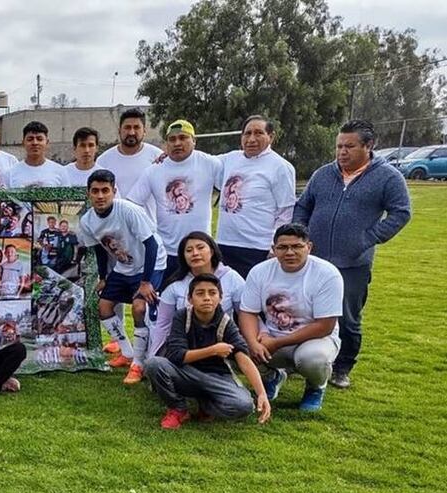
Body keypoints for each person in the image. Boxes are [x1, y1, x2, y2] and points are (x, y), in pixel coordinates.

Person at [293, 119, 411, 389]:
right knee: (307, 310)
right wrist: (301, 236)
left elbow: (401, 212)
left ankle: (342, 367)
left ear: (369, 146)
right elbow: (303, 206)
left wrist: (367, 239)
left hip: (353, 263)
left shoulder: (388, 177)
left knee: (347, 317)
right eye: (339, 146)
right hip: (314, 260)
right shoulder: (323, 174)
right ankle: (306, 360)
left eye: (349, 146)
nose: (342, 152)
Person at [238, 223, 344, 412]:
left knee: (313, 359)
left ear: (309, 247)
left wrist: (277, 343)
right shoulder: (260, 271)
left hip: (316, 339)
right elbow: (248, 312)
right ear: (273, 249)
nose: (289, 252)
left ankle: (316, 386)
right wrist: (253, 343)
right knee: (237, 348)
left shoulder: (327, 274)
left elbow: (325, 326)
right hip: (272, 336)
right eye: (282, 247)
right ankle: (272, 376)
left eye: (296, 246)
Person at [143, 274, 271, 429]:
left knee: (244, 406)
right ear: (190, 299)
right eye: (200, 293)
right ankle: (178, 408)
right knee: (154, 364)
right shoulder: (182, 317)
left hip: (217, 377)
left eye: (212, 293)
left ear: (220, 298)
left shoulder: (226, 323)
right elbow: (177, 356)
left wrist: (261, 393)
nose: (207, 298)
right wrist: (212, 350)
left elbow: (243, 358)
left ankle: (204, 405)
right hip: (186, 372)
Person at [76, 170, 167, 383]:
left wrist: (146, 282)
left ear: (114, 191)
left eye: (105, 190)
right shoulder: (87, 221)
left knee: (139, 307)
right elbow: (99, 250)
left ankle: (138, 363)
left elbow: (151, 244)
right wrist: (103, 277)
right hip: (124, 266)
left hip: (150, 264)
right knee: (103, 307)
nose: (100, 196)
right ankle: (126, 352)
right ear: (88, 194)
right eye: (95, 191)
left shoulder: (128, 210)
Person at [96, 108, 163, 355]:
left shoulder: (157, 157)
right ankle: (120, 343)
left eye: (136, 127)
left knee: (143, 298)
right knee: (113, 291)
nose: (131, 132)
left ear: (144, 130)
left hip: (145, 235)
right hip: (115, 238)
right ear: (120, 130)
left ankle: (149, 345)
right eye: (127, 127)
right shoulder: (105, 159)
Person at [128, 120, 222, 278]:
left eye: (183, 138)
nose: (177, 143)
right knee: (166, 293)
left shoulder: (211, 164)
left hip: (200, 251)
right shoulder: (153, 170)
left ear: (194, 140)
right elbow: (132, 205)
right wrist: (147, 231)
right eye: (172, 139)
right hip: (166, 252)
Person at [214, 115, 297, 277]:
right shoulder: (230, 159)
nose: (251, 139)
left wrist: (275, 246)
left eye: (258, 133)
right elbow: (200, 163)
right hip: (224, 244)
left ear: (271, 137)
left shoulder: (281, 167)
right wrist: (165, 156)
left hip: (257, 248)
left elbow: (286, 212)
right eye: (247, 133)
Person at [149, 232, 245, 360]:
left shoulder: (232, 278)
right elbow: (163, 325)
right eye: (189, 250)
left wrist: (254, 343)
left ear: (212, 251)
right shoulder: (174, 285)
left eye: (200, 248)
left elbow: (246, 315)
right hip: (185, 348)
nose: (195, 253)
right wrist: (153, 357)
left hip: (221, 346)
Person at [7, 121, 71, 187]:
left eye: (39, 139)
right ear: (23, 143)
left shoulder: (60, 171)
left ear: (47, 142)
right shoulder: (10, 173)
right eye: (30, 139)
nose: (35, 143)